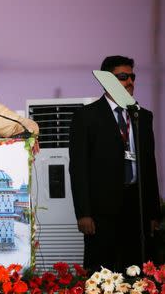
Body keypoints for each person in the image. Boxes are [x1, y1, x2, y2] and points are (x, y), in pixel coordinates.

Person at [69, 55, 161, 272]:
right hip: (101, 210)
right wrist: (83, 213)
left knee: (137, 269)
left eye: (132, 76)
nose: (130, 81)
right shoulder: (86, 116)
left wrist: (153, 213)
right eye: (123, 77)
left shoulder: (143, 116)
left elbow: (149, 165)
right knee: (103, 271)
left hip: (135, 204)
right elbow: (78, 168)